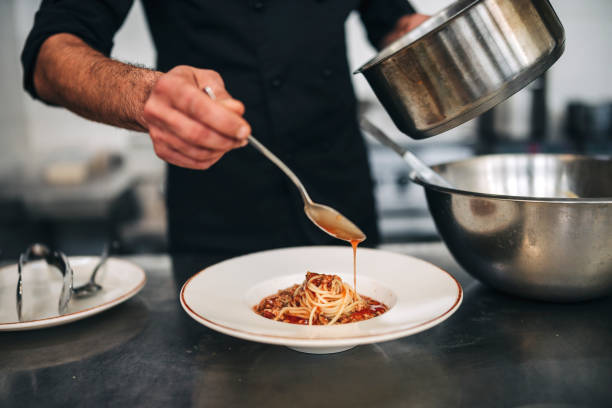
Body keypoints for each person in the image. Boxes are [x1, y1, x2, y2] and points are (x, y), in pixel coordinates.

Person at [21, 1, 427, 259]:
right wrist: (145, 96)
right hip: (217, 215)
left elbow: (388, 18)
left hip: (340, 197)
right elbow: (48, 59)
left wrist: (418, 34)